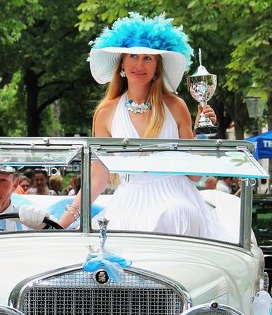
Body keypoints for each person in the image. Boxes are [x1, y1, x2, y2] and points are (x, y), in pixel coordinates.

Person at [58, 12, 226, 240]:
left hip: (176, 198)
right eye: (133, 56)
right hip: (128, 201)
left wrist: (202, 134)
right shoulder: (106, 112)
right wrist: (62, 222)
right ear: (122, 63)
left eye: (148, 58)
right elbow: (98, 178)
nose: (139, 64)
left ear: (157, 66)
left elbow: (195, 177)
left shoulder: (176, 106)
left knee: (175, 214)